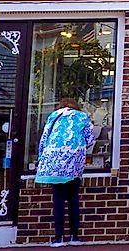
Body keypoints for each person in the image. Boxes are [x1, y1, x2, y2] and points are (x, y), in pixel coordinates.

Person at [35, 97, 96, 247]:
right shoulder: (83, 117)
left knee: (58, 199)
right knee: (73, 198)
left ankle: (58, 238)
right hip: (74, 160)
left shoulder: (54, 116)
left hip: (54, 160)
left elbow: (44, 139)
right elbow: (90, 139)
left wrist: (42, 159)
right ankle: (75, 237)